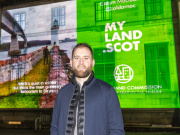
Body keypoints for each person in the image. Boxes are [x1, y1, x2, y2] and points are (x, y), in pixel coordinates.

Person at [50, 43, 125, 135]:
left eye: (86, 58)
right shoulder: (62, 93)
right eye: (77, 58)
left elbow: (117, 131)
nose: (81, 62)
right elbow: (54, 128)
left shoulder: (107, 91)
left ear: (92, 62)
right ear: (71, 62)